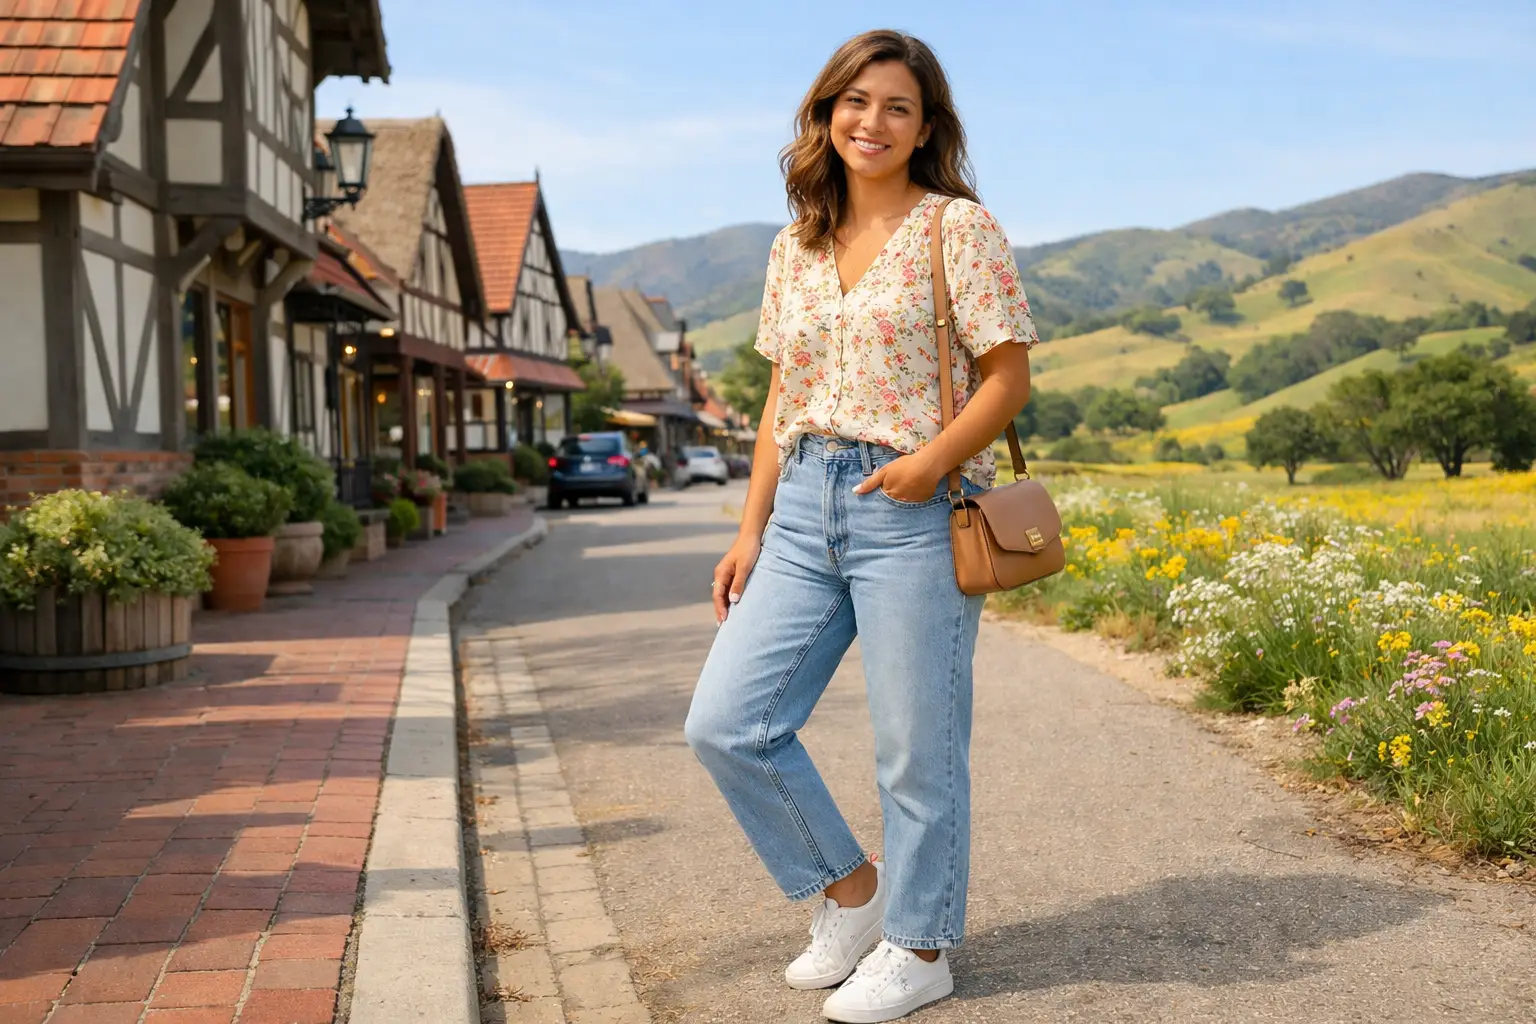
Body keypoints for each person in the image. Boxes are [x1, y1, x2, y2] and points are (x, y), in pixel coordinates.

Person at [683, 28, 1038, 1023]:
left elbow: (1008, 374)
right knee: (727, 723)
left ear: (926, 128)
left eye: (896, 107)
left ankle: (921, 948)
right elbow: (778, 397)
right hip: (801, 503)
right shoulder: (792, 244)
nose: (871, 122)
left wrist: (929, 460)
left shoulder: (955, 229)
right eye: (855, 101)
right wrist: (751, 528)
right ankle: (852, 894)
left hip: (914, 507)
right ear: (825, 112)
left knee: (916, 748)